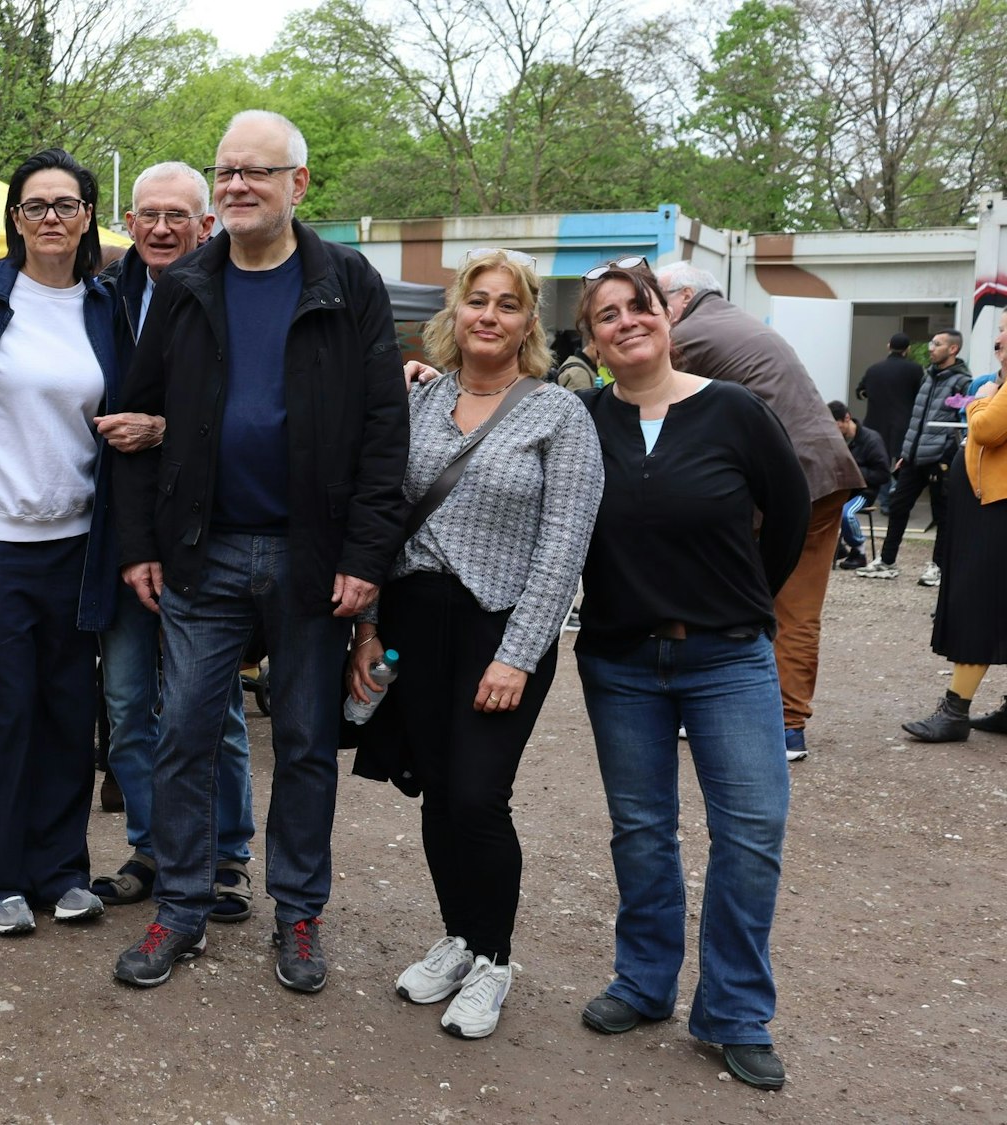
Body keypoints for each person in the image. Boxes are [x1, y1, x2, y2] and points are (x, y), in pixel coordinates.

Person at [109, 110, 408, 993]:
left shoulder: (349, 282)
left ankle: (300, 912)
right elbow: (137, 421)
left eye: (257, 171)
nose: (237, 184)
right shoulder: (190, 282)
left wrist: (367, 555)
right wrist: (138, 544)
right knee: (183, 735)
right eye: (226, 169)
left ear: (299, 184)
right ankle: (184, 907)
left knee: (309, 741)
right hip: (203, 552)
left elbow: (385, 430)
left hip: (314, 559)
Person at [349, 249, 602, 1039]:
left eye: (507, 304)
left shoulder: (560, 414)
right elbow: (384, 516)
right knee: (432, 785)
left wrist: (518, 654)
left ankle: (493, 957)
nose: (489, 315)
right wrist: (368, 625)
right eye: (476, 300)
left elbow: (564, 546)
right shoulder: (422, 400)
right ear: (454, 313)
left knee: (478, 795)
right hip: (414, 622)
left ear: (530, 321)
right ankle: (458, 937)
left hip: (498, 628)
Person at [569, 257, 809, 1091]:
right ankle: (643, 982)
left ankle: (736, 1011)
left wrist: (734, 598)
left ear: (667, 316)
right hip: (620, 660)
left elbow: (789, 517)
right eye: (606, 315)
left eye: (638, 307)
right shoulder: (582, 419)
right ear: (591, 338)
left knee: (751, 832)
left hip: (728, 657)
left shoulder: (734, 410)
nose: (626, 322)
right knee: (642, 830)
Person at [0, 148, 122, 935]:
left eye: (65, 204)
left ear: (87, 215)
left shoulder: (107, 306)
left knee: (67, 705)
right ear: (13, 218)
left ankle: (61, 870)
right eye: (34, 205)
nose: (49, 217)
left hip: (79, 540)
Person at [91, 161, 259, 922]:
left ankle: (224, 853)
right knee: (128, 702)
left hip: (206, 535)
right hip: (123, 531)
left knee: (210, 705)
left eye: (177, 216)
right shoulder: (103, 296)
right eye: (147, 214)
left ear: (206, 225)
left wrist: (164, 431)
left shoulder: (237, 292)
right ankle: (154, 845)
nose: (161, 228)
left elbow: (258, 416)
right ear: (128, 222)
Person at [658, 263, 864, 762]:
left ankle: (761, 719)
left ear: (684, 296)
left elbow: (655, 400)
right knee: (795, 606)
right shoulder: (738, 322)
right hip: (827, 473)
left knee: (753, 599)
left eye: (657, 300)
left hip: (786, 485)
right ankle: (781, 722)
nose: (653, 314)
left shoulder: (692, 334)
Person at [898, 342, 1007, 741]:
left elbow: (987, 429)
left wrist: (979, 400)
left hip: (997, 513)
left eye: (1005, 331)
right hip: (991, 509)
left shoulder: (995, 389)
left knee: (979, 606)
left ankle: (954, 712)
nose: (998, 341)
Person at [859, 330, 969, 582]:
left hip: (939, 459)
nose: (931, 348)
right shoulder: (927, 377)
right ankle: (887, 561)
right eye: (932, 343)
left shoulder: (962, 382)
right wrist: (906, 453)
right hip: (914, 458)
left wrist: (946, 455)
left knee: (941, 513)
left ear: (953, 350)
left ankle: (937, 567)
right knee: (898, 507)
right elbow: (916, 419)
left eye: (937, 344)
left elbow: (962, 422)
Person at [856, 333, 923, 489]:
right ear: (908, 349)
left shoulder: (873, 370)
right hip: (904, 422)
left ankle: (885, 499)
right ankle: (898, 494)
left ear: (888, 346)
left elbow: (860, 392)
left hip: (876, 422)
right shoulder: (915, 369)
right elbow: (920, 395)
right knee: (903, 462)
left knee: (881, 461)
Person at [828, 401, 890, 569]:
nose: (833, 431)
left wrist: (854, 471)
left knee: (846, 513)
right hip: (844, 490)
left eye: (835, 426)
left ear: (847, 418)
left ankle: (859, 551)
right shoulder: (839, 439)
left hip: (864, 491)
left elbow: (883, 474)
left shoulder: (871, 439)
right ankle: (837, 548)